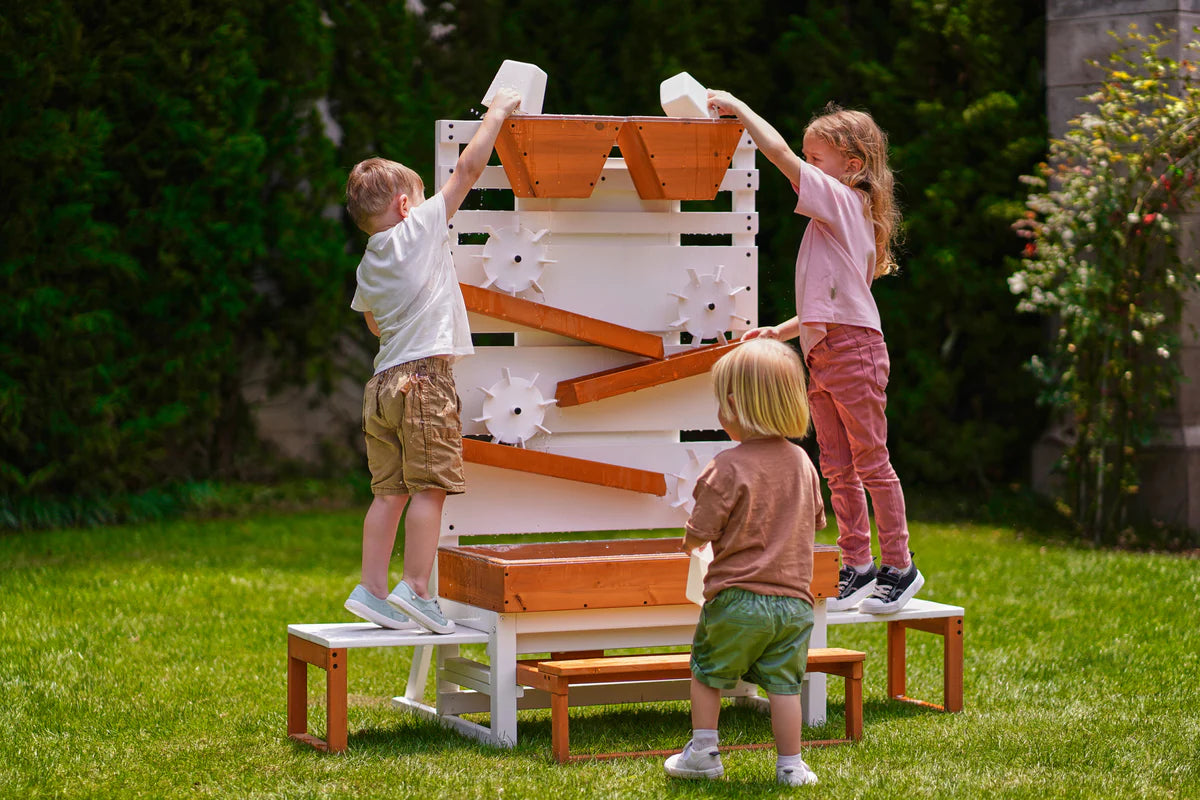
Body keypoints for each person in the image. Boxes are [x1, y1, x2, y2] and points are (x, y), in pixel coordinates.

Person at [706, 90, 924, 615]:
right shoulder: (832, 222)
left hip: (853, 351)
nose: (810, 169)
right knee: (836, 468)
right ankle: (859, 566)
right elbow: (828, 304)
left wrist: (740, 109)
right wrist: (778, 333)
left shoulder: (844, 203)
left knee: (872, 463)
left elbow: (780, 156)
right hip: (826, 351)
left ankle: (900, 565)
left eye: (818, 159)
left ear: (852, 167)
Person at [341, 88, 523, 634]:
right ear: (404, 206)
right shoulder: (418, 228)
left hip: (381, 385)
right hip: (424, 380)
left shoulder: (369, 264)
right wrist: (497, 113)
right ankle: (416, 589)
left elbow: (373, 323)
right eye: (419, 199)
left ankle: (372, 589)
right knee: (431, 487)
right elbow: (468, 169)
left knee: (388, 492)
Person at [665, 339, 824, 787]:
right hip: (794, 605)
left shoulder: (726, 467)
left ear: (733, 406)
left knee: (708, 672)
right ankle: (791, 765)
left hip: (737, 599)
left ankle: (704, 752)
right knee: (785, 686)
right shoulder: (803, 464)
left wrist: (690, 542)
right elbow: (813, 519)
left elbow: (702, 528)